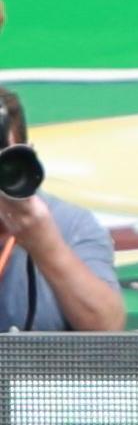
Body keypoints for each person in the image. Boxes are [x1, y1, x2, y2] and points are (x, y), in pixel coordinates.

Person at [0, 87, 125, 333]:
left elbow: (108, 330)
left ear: (25, 160)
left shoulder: (70, 225)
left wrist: (46, 246)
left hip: (36, 372)